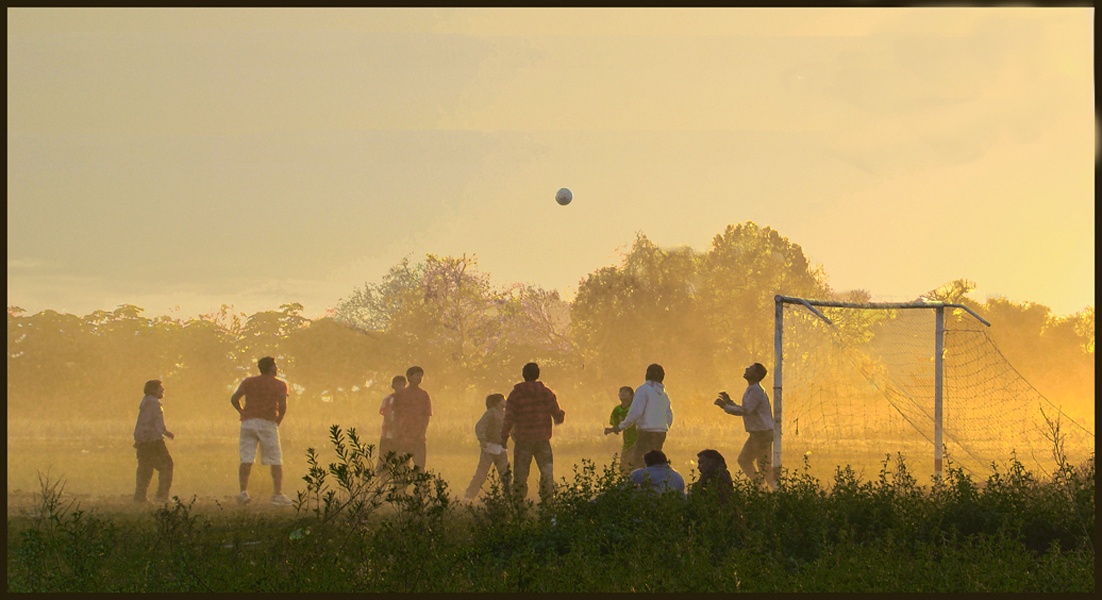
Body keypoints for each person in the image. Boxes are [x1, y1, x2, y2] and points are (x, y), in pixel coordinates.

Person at [230, 356, 293, 506]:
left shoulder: (249, 382)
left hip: (248, 422)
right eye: (275, 366)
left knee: (246, 458)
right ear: (271, 368)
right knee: (275, 459)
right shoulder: (280, 384)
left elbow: (234, 399)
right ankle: (277, 494)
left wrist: (242, 411)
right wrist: (277, 421)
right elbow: (283, 406)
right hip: (267, 422)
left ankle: (243, 492)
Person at [501, 362, 565, 501]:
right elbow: (557, 416)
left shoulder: (516, 394)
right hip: (542, 439)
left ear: (523, 375)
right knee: (546, 471)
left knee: (521, 473)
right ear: (538, 375)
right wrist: (561, 414)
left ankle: (518, 501)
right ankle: (547, 499)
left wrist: (504, 436)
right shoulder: (546, 393)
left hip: (523, 439)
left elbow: (509, 417)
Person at [715, 362, 776, 490]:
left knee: (760, 464)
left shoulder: (756, 390)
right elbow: (745, 409)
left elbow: (746, 410)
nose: (746, 368)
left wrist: (725, 406)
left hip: (762, 434)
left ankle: (775, 489)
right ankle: (764, 486)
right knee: (752, 462)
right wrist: (729, 402)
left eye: (750, 368)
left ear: (756, 374)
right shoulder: (753, 389)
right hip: (759, 433)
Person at [605, 364, 673, 472]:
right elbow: (669, 416)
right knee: (655, 463)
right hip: (661, 434)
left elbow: (635, 413)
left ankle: (639, 487)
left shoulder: (643, 390)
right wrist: (662, 427)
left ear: (647, 375)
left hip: (646, 434)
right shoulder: (664, 395)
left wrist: (620, 426)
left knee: (639, 463)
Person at [462, 393, 511, 502]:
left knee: (505, 474)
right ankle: (469, 495)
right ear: (497, 402)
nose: (505, 401)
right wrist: (482, 439)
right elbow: (480, 426)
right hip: (489, 448)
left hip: (501, 448)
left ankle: (509, 497)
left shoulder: (505, 414)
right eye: (503, 399)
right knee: (482, 473)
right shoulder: (491, 413)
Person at [132, 379, 174, 503]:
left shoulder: (146, 402)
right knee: (167, 466)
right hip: (153, 441)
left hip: (144, 441)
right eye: (160, 388)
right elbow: (155, 423)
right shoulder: (154, 404)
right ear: (153, 390)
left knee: (145, 468)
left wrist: (139, 439)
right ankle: (162, 495)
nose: (163, 390)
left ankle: (140, 497)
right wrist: (165, 432)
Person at [390, 366, 433, 470]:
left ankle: (419, 486)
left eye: (421, 376)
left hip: (418, 436)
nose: (419, 378)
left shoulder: (424, 395)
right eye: (417, 375)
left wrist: (422, 432)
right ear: (409, 377)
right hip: (403, 435)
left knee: (419, 466)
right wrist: (396, 432)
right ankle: (401, 486)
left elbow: (426, 416)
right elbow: (396, 415)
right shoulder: (400, 395)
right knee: (401, 467)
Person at [376, 374, 407, 473]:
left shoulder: (408, 400)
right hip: (388, 435)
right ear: (393, 386)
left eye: (402, 384)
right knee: (384, 460)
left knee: (402, 461)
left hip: (403, 435)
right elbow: (387, 415)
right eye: (397, 384)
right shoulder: (388, 399)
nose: (400, 387)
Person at [608, 386, 639, 473]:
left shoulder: (636, 408)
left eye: (625, 392)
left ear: (632, 396)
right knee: (624, 467)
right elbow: (617, 427)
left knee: (635, 465)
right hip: (627, 442)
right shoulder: (617, 410)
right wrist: (610, 430)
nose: (622, 394)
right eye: (621, 392)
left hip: (638, 440)